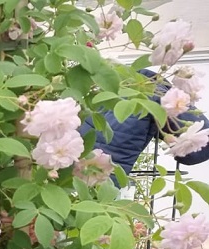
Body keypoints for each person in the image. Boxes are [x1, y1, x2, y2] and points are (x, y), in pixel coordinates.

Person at [80, 68, 209, 175]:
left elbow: (200, 151)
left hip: (87, 173)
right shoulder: (150, 95)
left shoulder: (147, 94)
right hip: (98, 177)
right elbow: (198, 153)